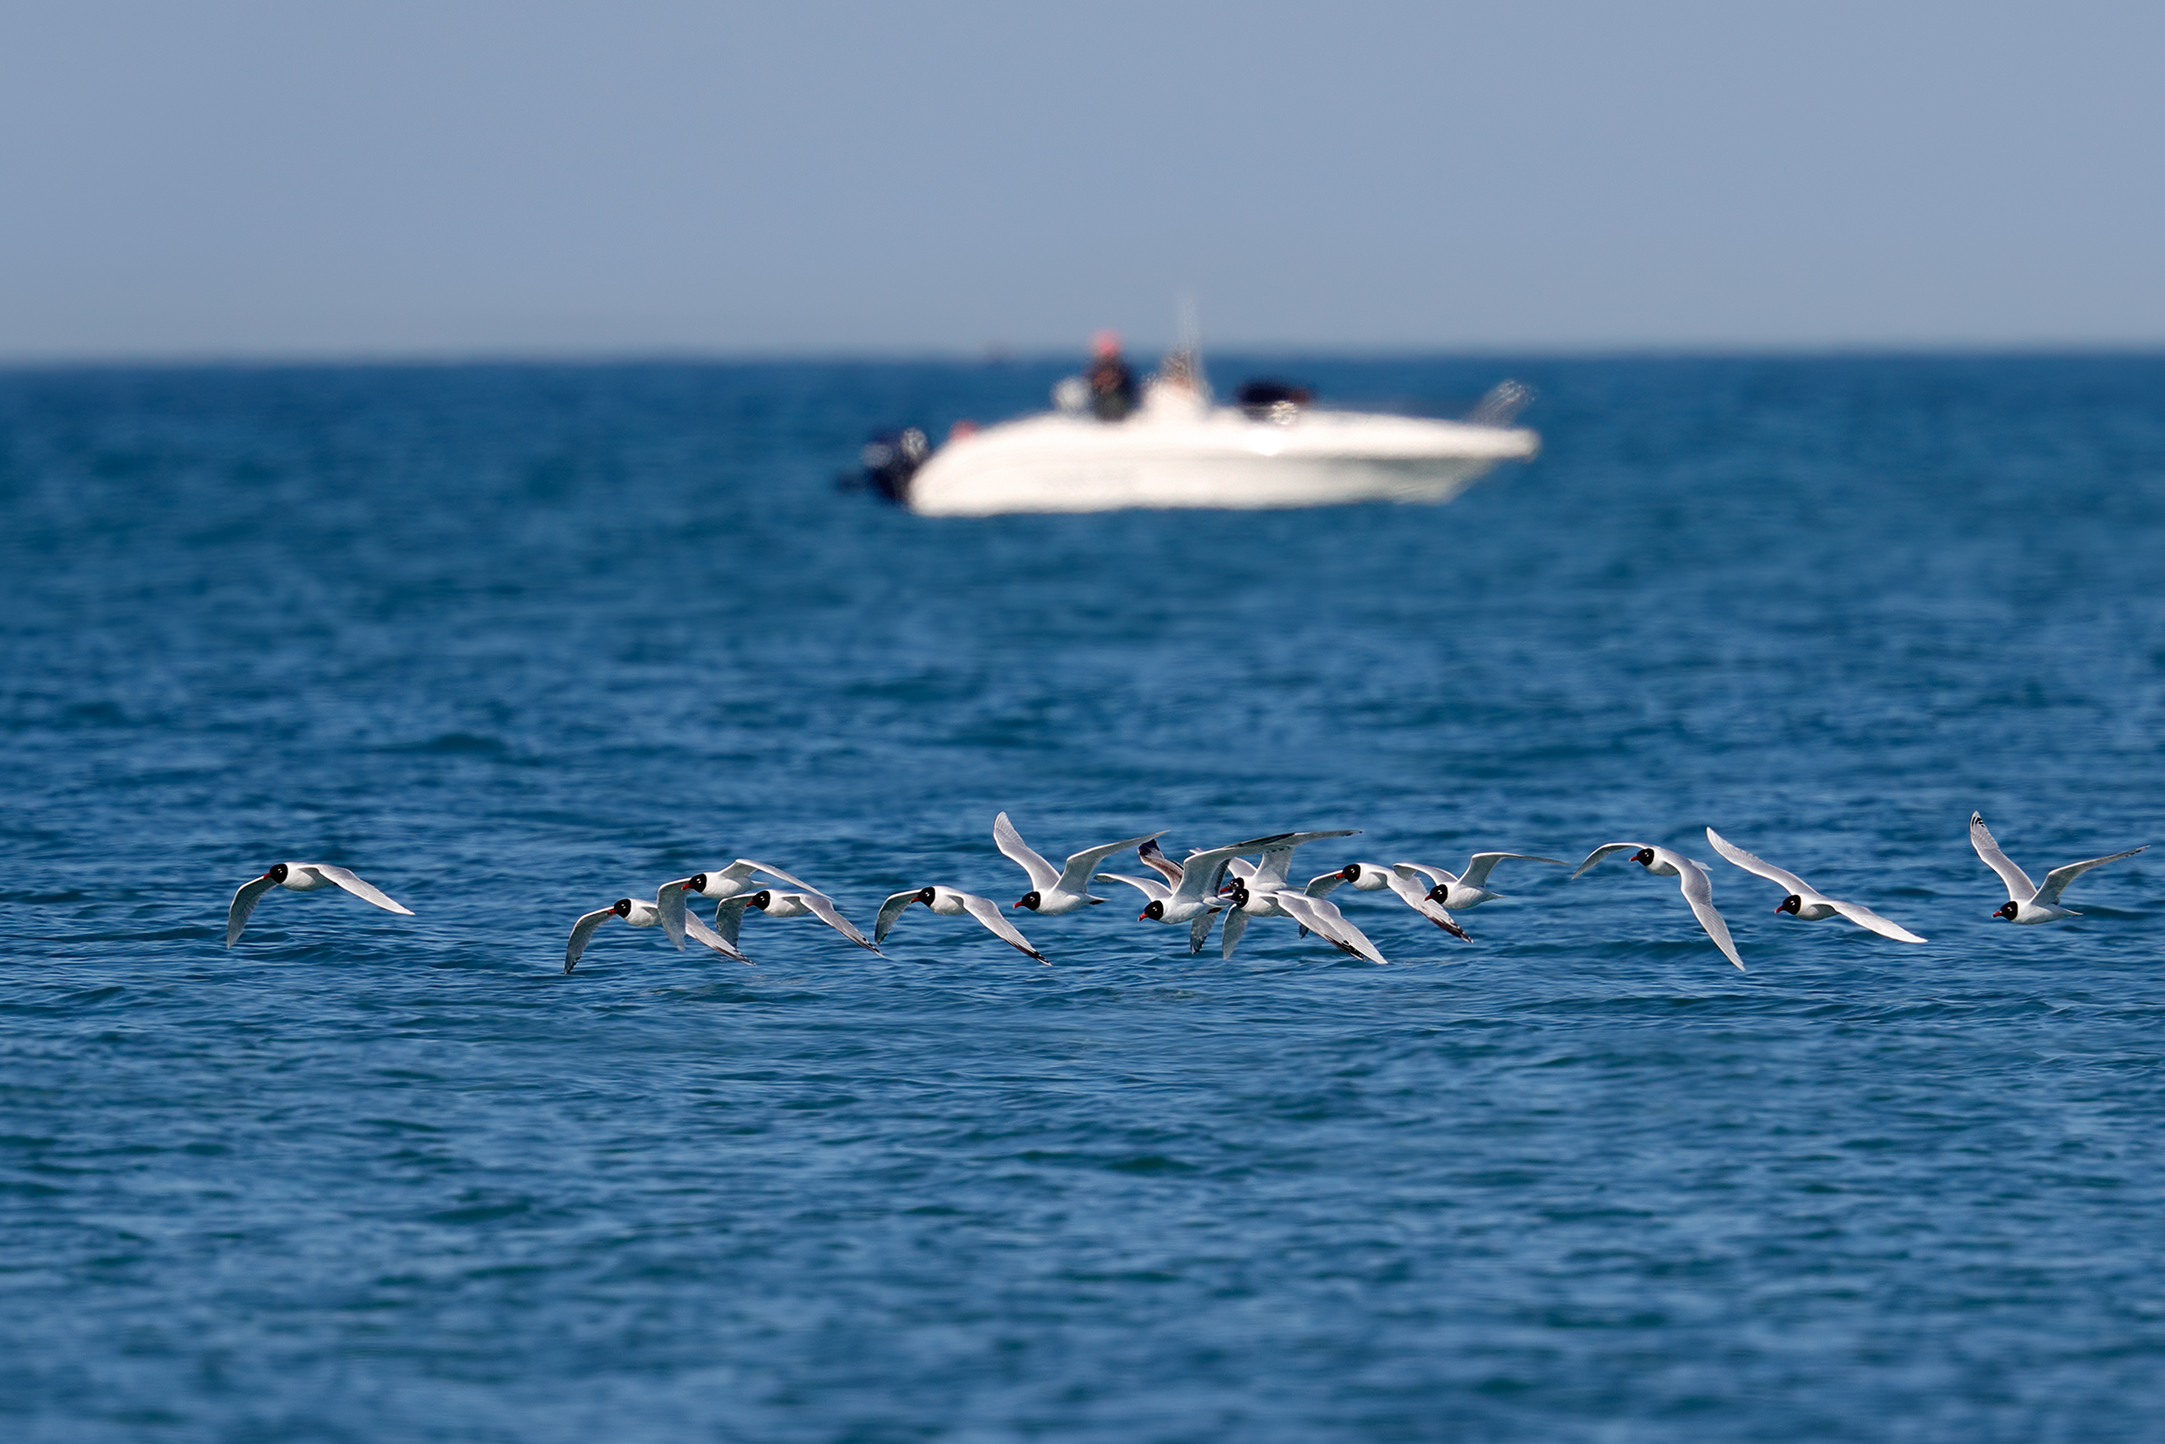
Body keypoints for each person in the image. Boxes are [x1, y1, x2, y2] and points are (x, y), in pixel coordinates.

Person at [1085, 330, 1136, 421]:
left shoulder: (1122, 369)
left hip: (1120, 411)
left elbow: (1131, 390)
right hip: (1102, 411)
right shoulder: (1095, 370)